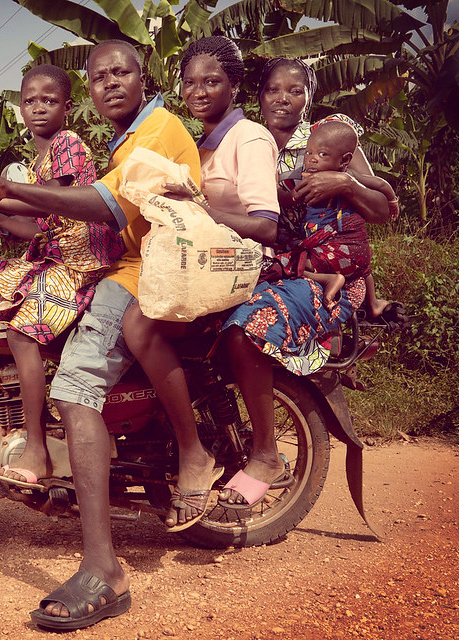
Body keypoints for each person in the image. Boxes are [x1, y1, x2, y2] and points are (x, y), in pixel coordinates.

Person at [0, 39, 201, 631]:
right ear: (89, 90)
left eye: (121, 72)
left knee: (75, 388)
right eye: (100, 76)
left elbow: (103, 208)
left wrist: (5, 191)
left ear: (144, 79)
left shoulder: (158, 131)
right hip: (130, 265)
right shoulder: (126, 140)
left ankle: (104, 568)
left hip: (145, 272)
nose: (110, 83)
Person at [216, 57, 397, 509]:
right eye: (274, 90)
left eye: (294, 90)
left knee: (248, 328)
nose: (283, 98)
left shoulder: (330, 133)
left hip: (324, 269)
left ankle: (264, 454)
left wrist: (346, 182)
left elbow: (384, 208)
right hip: (276, 263)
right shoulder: (249, 138)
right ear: (259, 96)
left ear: (308, 96)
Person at [122, 36, 280, 529]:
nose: (199, 91)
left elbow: (267, 225)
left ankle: (195, 453)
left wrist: (201, 207)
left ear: (234, 85)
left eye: (212, 81)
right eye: (190, 82)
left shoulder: (248, 137)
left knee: (140, 325)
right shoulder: (198, 141)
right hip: (202, 267)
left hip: (243, 269)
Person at [0, 64, 124, 488]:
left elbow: (53, 203)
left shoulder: (68, 144)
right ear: (19, 107)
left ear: (67, 107)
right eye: (30, 101)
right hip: (60, 257)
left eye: (49, 100)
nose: (38, 108)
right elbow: (44, 225)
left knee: (21, 333)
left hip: (84, 264)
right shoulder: (37, 160)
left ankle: (37, 449)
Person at [274, 119, 396, 309]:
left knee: (290, 263)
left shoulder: (333, 179)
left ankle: (330, 279)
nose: (312, 159)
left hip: (335, 249)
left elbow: (290, 198)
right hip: (358, 251)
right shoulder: (350, 176)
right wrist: (392, 200)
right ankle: (373, 304)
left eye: (322, 154)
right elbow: (380, 184)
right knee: (363, 269)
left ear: (344, 160)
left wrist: (278, 193)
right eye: (308, 152)